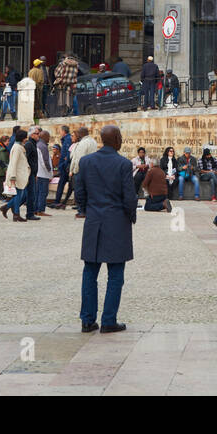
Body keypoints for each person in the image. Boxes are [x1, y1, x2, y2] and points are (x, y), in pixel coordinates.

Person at [75, 124, 135, 333]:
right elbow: (129, 196)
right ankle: (109, 320)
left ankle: (87, 319)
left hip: (94, 221)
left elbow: (79, 191)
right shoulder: (123, 164)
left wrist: (84, 210)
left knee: (90, 272)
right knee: (115, 274)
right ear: (117, 139)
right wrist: (131, 217)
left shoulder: (86, 162)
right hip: (116, 221)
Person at [0, 128, 31, 222]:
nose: (26, 139)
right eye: (25, 138)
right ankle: (15, 213)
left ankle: (7, 208)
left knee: (20, 195)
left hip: (20, 175)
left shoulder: (19, 147)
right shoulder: (17, 148)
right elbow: (13, 163)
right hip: (17, 175)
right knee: (18, 195)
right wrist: (13, 177)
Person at [68, 126, 95, 216]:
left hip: (81, 171)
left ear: (81, 134)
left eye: (78, 133)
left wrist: (74, 171)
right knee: (88, 192)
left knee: (80, 192)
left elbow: (78, 159)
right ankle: (87, 211)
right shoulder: (93, 142)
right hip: (90, 171)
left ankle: (82, 211)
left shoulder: (83, 143)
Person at [52, 125, 75, 208]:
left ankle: (58, 202)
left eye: (60, 131)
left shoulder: (68, 139)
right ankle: (60, 202)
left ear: (63, 131)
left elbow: (68, 152)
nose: (59, 132)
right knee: (65, 184)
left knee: (63, 184)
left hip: (65, 166)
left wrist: (64, 163)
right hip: (65, 165)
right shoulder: (66, 139)